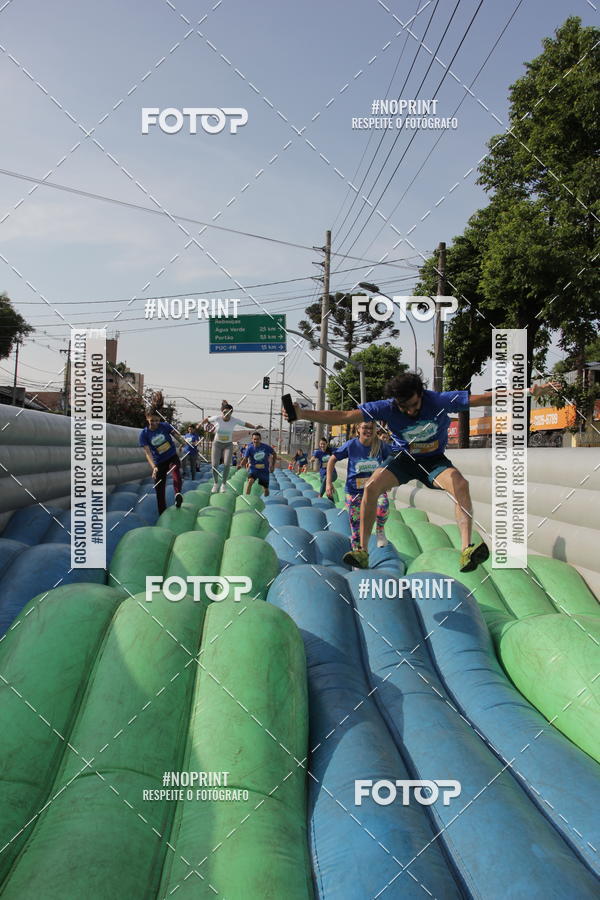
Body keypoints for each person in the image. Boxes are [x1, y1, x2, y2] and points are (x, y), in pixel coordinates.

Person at [284, 372, 560, 570]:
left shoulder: (438, 400)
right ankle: (362, 551)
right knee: (371, 487)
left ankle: (466, 550)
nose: (411, 411)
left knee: (460, 484)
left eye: (414, 405)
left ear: (421, 394)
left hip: (433, 460)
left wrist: (525, 392)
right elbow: (345, 416)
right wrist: (304, 413)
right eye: (405, 407)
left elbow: (480, 399)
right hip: (405, 459)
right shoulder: (387, 408)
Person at [326, 421, 391, 551]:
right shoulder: (351, 445)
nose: (368, 431)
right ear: (358, 429)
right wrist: (328, 482)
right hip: (354, 492)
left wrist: (388, 479)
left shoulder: (380, 446)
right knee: (356, 528)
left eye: (371, 428)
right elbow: (332, 459)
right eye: (365, 428)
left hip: (375, 488)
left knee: (382, 506)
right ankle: (359, 556)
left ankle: (379, 530)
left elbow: (391, 459)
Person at [200, 401, 262, 493]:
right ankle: (216, 483)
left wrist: (255, 426)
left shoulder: (234, 420)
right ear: (222, 412)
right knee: (214, 465)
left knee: (226, 464)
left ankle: (224, 484)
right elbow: (207, 419)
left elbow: (245, 424)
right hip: (217, 444)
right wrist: (200, 423)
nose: (226, 414)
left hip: (228, 444)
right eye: (225, 412)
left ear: (231, 412)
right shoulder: (217, 418)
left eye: (229, 412)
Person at [139, 392, 184, 515]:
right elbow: (148, 453)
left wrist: (182, 442)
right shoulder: (144, 434)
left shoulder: (164, 426)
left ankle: (177, 494)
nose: (154, 423)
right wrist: (154, 468)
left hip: (171, 456)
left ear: (160, 419)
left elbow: (176, 435)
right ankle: (162, 513)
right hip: (159, 462)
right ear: (147, 418)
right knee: (159, 489)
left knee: (175, 469)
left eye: (157, 420)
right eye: (152, 420)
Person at [244, 431, 277, 496]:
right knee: (250, 482)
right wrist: (240, 465)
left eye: (257, 439)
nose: (256, 441)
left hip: (264, 470)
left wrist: (272, 465)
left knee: (265, 489)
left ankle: (266, 499)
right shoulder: (249, 448)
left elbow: (274, 454)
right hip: (254, 469)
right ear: (252, 439)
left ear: (260, 439)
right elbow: (245, 458)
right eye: (254, 439)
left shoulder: (266, 447)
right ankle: (246, 499)